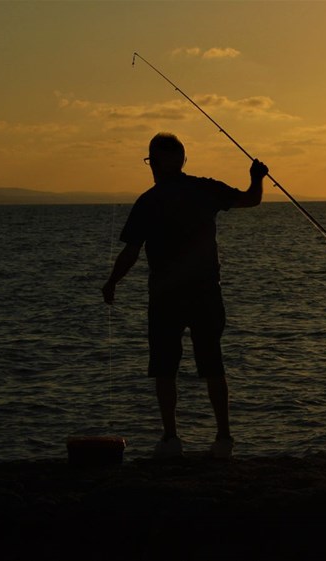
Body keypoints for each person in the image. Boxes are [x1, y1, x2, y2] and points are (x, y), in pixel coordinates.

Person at [103, 132, 268, 459]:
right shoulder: (205, 189)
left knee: (165, 369)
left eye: (151, 160)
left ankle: (171, 439)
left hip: (166, 297)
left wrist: (111, 283)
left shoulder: (149, 201)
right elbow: (250, 199)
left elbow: (131, 252)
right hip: (206, 293)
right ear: (182, 160)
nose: (150, 167)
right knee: (212, 365)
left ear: (157, 161)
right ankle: (223, 440)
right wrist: (256, 178)